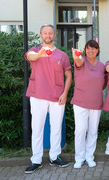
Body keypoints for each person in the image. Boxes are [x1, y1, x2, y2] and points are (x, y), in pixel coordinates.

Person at [24, 24, 72, 173]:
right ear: (40, 35)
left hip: (57, 97)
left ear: (54, 35)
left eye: (50, 33)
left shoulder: (62, 55)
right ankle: (36, 160)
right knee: (37, 129)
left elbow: (69, 75)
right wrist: (40, 55)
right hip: (37, 95)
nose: (48, 35)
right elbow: (29, 56)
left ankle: (54, 157)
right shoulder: (34, 51)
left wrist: (65, 93)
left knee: (56, 128)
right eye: (45, 33)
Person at [71, 40, 105, 168]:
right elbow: (78, 61)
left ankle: (89, 156)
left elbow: (104, 82)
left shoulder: (101, 66)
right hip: (80, 102)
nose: (91, 51)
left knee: (92, 131)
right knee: (80, 130)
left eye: (94, 49)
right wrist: (76, 56)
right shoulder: (81, 61)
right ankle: (79, 158)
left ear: (97, 50)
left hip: (96, 102)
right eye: (88, 48)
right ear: (85, 50)